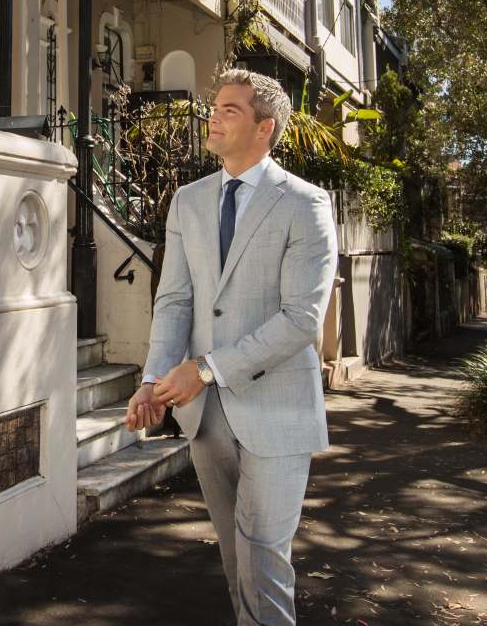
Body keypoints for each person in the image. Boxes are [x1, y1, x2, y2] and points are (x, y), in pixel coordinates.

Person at [126, 68, 338, 626]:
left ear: (264, 127)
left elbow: (301, 319)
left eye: (229, 110)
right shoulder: (189, 201)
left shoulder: (305, 204)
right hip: (206, 417)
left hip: (277, 407)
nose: (213, 117)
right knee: (234, 553)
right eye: (214, 107)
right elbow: (174, 301)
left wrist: (208, 367)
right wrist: (152, 380)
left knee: (263, 552)